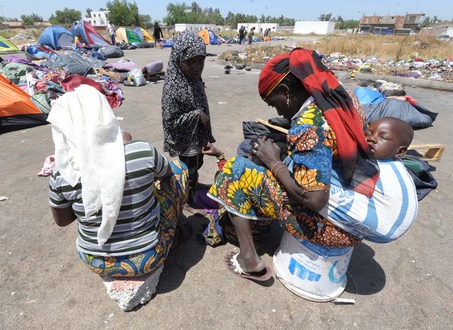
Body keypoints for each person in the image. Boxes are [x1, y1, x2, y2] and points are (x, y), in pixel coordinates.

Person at [207, 48, 380, 281]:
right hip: (355, 211)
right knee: (262, 166)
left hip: (331, 229)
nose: (277, 111)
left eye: (273, 103)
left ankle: (249, 258)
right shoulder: (341, 98)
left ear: (286, 91)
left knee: (234, 170)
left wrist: (274, 162)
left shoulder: (308, 125)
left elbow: (315, 200)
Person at [48, 84, 190, 281]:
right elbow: (166, 174)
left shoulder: (62, 173)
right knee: (178, 170)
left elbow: (63, 221)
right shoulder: (142, 151)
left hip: (95, 262)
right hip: (148, 257)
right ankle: (172, 236)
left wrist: (94, 197)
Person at [318, 117, 418, 243]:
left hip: (382, 228)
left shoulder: (377, 168)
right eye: (368, 133)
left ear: (400, 152)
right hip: (390, 224)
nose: (371, 138)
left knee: (312, 181)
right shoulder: (394, 164)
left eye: (384, 138)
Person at [161, 31, 215, 201]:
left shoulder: (194, 79)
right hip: (185, 138)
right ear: (178, 59)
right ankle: (187, 199)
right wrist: (197, 115)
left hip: (197, 136)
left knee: (198, 163)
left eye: (201, 61)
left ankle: (194, 185)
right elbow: (170, 122)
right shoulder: (173, 87)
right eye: (190, 62)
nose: (197, 67)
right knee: (189, 168)